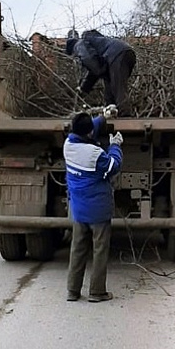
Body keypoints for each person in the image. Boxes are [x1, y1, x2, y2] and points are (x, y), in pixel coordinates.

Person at [63, 111, 123, 302]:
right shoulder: (94, 154)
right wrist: (115, 145)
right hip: (98, 210)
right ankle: (97, 292)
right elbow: (114, 165)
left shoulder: (68, 145)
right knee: (99, 250)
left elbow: (88, 129)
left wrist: (103, 117)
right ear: (89, 134)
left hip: (79, 210)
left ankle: (73, 291)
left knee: (77, 249)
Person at [65, 29, 136, 117]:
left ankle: (125, 118)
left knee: (117, 88)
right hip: (121, 54)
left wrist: (100, 70)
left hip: (117, 55)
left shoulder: (78, 45)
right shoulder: (93, 44)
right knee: (109, 94)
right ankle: (112, 114)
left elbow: (91, 62)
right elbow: (94, 69)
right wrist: (84, 88)